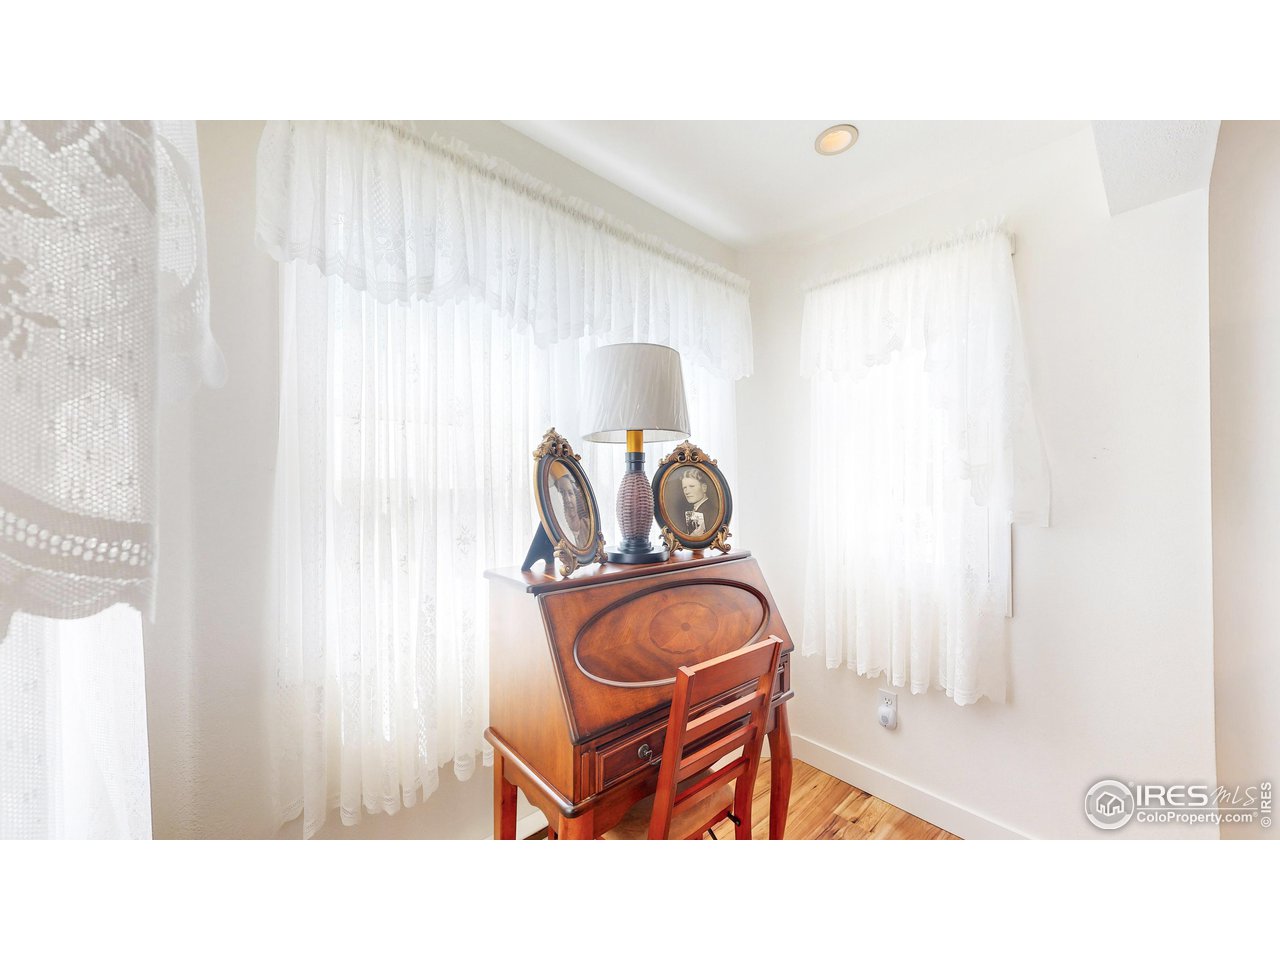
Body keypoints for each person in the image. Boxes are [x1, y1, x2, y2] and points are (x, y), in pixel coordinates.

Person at [550, 461, 591, 547]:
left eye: (570, 493)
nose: (567, 499)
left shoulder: (589, 526)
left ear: (576, 497)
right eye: (562, 493)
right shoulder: (558, 530)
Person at [678, 467, 717, 538]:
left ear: (704, 488)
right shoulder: (693, 510)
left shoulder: (711, 512)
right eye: (684, 488)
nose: (687, 492)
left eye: (692, 486)